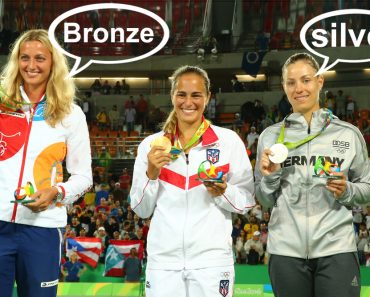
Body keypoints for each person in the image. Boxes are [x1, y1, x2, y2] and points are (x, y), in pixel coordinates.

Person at [130, 65, 255, 297]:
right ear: (173, 96)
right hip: (164, 262)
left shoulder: (228, 142)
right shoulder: (151, 145)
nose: (189, 102)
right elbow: (141, 210)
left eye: (196, 95)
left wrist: (223, 192)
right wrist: (151, 174)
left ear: (207, 98)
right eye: (182, 94)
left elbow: (246, 202)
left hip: (212, 262)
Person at [255, 52, 370, 297]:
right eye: (291, 82)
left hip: (336, 249)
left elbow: (367, 188)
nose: (299, 89)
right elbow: (264, 200)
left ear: (319, 82)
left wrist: (347, 190)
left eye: (306, 80)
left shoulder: (347, 134)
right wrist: (271, 176)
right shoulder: (270, 137)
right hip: (286, 252)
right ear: (284, 87)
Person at [0, 29, 92, 297]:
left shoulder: (70, 114)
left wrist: (57, 192)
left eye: (40, 58)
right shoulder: (2, 105)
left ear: (53, 63)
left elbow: (83, 176)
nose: (31, 65)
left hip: (43, 227)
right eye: (24, 57)